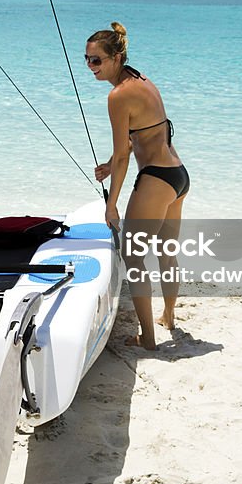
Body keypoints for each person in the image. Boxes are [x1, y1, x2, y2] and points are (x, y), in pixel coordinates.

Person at [88, 22, 190, 351]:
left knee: (133, 258)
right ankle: (169, 317)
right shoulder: (140, 79)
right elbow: (135, 140)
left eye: (97, 61)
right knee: (166, 251)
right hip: (178, 176)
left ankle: (147, 338)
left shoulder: (117, 96)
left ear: (116, 58)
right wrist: (111, 162)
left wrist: (111, 204)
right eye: (87, 60)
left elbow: (123, 157)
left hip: (156, 178)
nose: (91, 67)